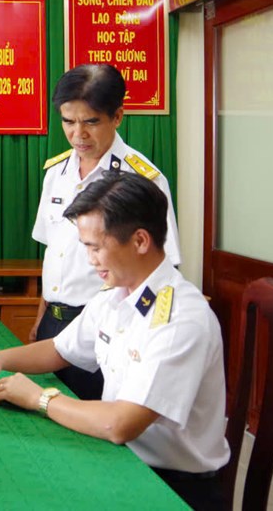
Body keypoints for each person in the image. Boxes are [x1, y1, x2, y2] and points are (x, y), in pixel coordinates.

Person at [0, 173, 229, 510]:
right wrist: (0, 359)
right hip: (119, 459)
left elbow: (120, 424)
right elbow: (60, 349)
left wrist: (39, 398)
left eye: (95, 247)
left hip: (171, 485)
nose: (90, 260)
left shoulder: (178, 318)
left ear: (140, 241)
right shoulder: (116, 293)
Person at [29, 63, 180, 401]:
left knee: (96, 421)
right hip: (54, 324)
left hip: (107, 328)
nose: (78, 134)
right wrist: (41, 319)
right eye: (68, 121)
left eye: (91, 122)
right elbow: (54, 253)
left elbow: (162, 270)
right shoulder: (56, 173)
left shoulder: (143, 180)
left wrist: (138, 339)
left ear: (117, 117)